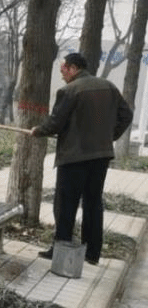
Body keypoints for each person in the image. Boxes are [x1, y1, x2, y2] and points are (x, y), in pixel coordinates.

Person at [32, 52, 132, 266]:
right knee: (93, 202)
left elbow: (55, 123)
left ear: (73, 68)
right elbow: (127, 115)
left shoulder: (69, 90)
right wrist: (110, 136)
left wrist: (38, 131)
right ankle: (92, 253)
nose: (62, 75)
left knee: (66, 204)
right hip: (101, 156)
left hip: (74, 157)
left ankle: (60, 248)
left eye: (63, 70)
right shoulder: (109, 87)